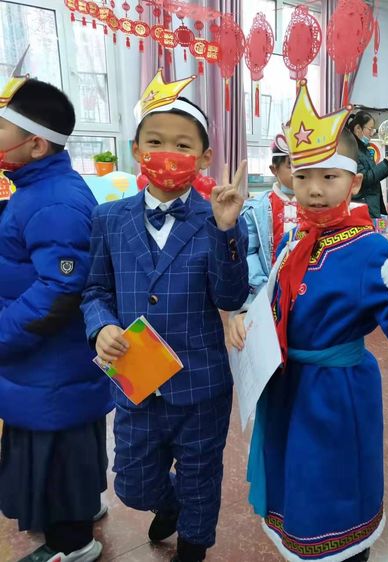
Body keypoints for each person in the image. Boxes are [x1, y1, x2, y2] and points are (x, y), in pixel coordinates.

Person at [238, 82, 388, 562]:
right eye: (304, 175)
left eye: (329, 176)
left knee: (334, 489)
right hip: (286, 388)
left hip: (335, 396)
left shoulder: (370, 249)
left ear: (354, 182)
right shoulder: (293, 239)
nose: (314, 188)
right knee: (295, 483)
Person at [81, 70, 250, 562]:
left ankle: (194, 547)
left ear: (204, 156)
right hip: (135, 375)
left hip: (200, 381)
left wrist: (226, 230)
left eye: (182, 144)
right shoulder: (108, 218)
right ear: (136, 149)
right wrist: (101, 325)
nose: (167, 153)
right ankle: (169, 504)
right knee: (131, 482)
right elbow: (95, 289)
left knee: (201, 475)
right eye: (155, 142)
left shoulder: (218, 216)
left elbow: (230, 295)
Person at [0, 74, 113, 562]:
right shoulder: (37, 188)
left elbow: (60, 289)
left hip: (50, 361)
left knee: (59, 450)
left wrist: (3, 334)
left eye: (2, 128)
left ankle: (74, 544)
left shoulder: (55, 200)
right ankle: (79, 507)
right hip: (43, 362)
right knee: (62, 450)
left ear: (36, 145)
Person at [240, 134, 297, 297]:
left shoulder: (316, 205)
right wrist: (261, 286)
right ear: (274, 169)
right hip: (268, 288)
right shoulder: (256, 208)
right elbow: (249, 251)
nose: (298, 172)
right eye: (291, 165)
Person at [347, 111, 388, 218]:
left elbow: (373, 176)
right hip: (363, 206)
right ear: (358, 128)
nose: (372, 133)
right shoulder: (352, 150)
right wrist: (386, 163)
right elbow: (365, 179)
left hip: (371, 204)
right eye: (370, 129)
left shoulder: (364, 149)